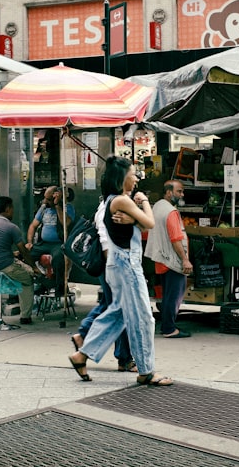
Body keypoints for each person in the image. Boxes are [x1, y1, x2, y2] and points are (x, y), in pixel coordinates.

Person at [69, 156, 172, 386]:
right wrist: (144, 201)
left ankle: (82, 355)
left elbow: (143, 224)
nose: (136, 178)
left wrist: (133, 220)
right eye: (133, 174)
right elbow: (151, 223)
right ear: (121, 177)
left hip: (117, 265)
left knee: (117, 314)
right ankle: (146, 371)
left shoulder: (113, 201)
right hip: (127, 264)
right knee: (143, 317)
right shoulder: (121, 201)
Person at [146, 180, 192, 339]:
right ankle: (169, 329)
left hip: (161, 258)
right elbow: (176, 238)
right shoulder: (171, 212)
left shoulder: (157, 206)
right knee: (174, 296)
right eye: (179, 191)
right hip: (172, 259)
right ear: (169, 192)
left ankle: (167, 325)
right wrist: (185, 260)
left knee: (167, 294)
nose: (182, 194)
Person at [0, 196, 35, 325]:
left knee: (20, 272)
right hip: (4, 266)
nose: (13, 212)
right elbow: (24, 251)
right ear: (8, 209)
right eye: (12, 209)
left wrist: (12, 254)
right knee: (28, 278)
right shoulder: (11, 227)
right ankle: (25, 316)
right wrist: (34, 267)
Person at [25, 186, 74, 282]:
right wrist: (30, 242)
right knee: (26, 254)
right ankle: (39, 280)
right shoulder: (43, 209)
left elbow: (66, 223)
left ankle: (58, 286)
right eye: (45, 198)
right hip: (43, 243)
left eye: (48, 199)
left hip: (58, 243)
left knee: (58, 259)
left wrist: (57, 206)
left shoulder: (67, 208)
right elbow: (33, 226)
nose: (44, 201)